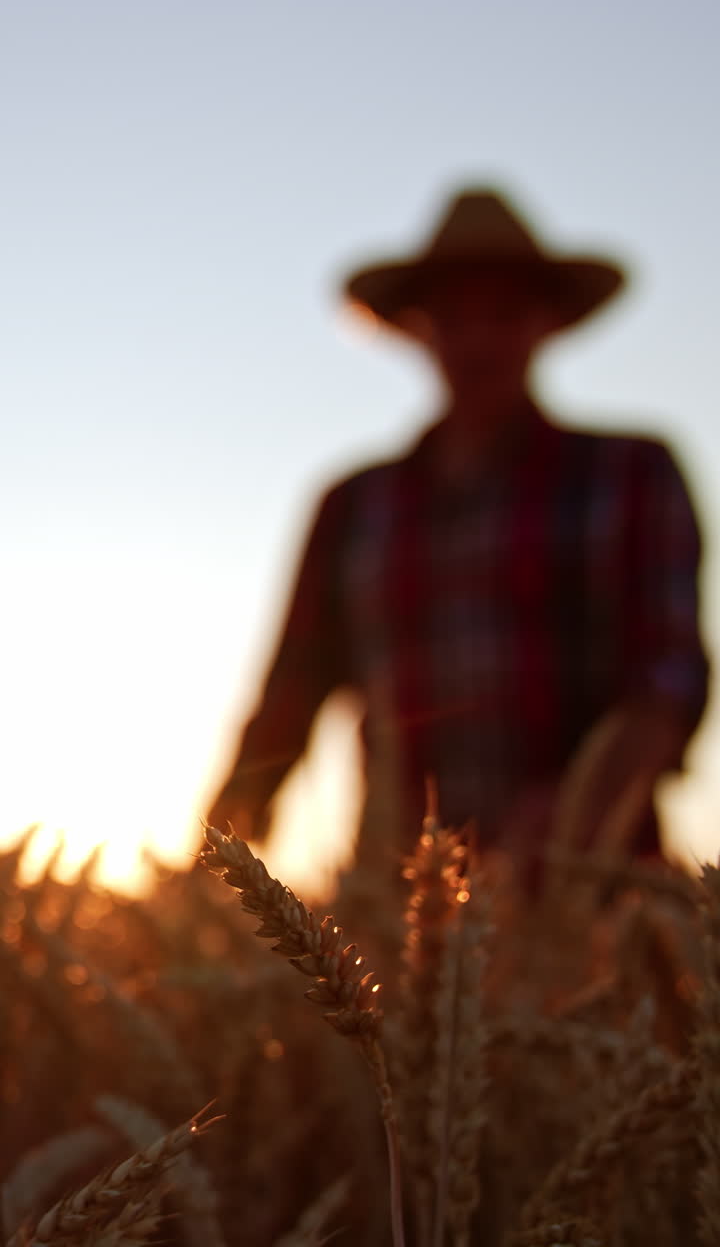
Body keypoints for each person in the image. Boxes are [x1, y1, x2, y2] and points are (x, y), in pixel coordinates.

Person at [207, 187, 709, 873]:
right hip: (399, 911)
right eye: (455, 317)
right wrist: (218, 855)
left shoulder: (633, 475)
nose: (478, 340)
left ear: (546, 323)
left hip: (597, 898)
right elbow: (290, 694)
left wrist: (581, 811)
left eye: (504, 314)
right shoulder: (352, 504)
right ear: (420, 330)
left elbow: (669, 674)